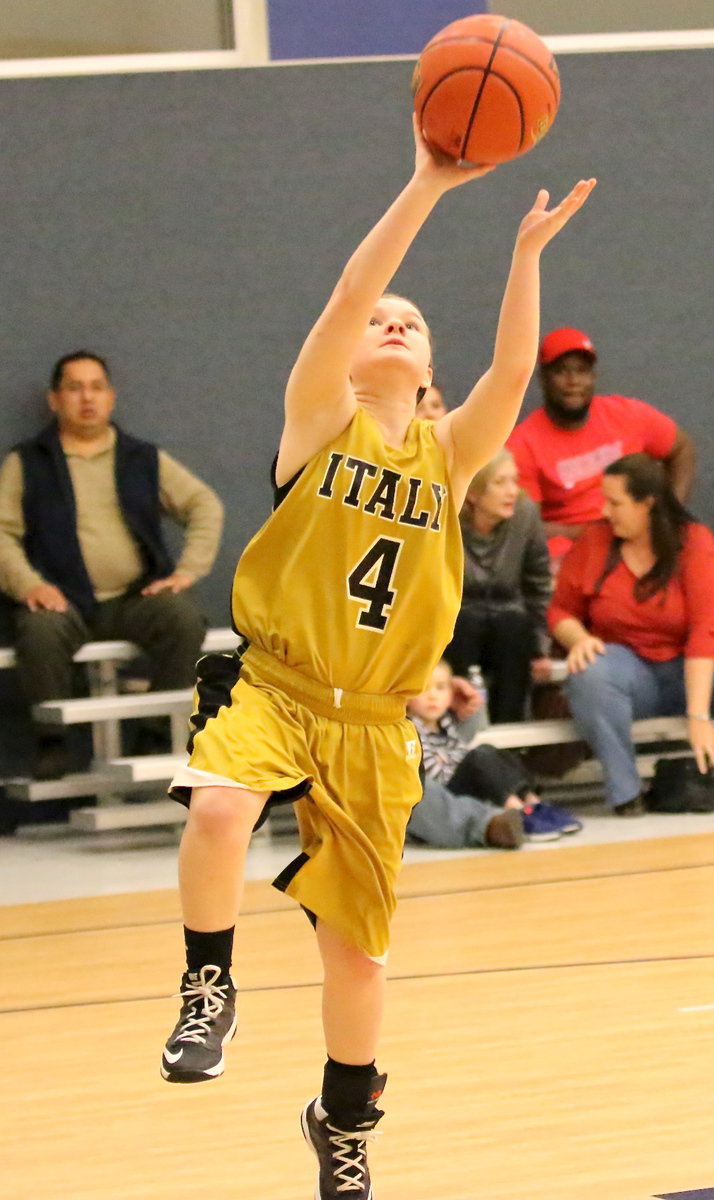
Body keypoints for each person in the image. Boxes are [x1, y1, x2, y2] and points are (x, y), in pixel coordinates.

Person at [159, 110, 594, 1200]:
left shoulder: (447, 462)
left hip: (371, 722)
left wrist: (525, 255)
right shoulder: (317, 421)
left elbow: (511, 368)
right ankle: (207, 986)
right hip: (277, 682)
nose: (392, 323)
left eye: (413, 322)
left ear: (430, 367)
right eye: (380, 322)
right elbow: (354, 291)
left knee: (357, 955)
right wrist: (428, 186)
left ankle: (343, 1122)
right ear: (349, 356)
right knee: (217, 808)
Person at [0, 350, 224, 780]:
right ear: (54, 399)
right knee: (38, 630)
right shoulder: (27, 462)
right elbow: (3, 533)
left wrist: (185, 573)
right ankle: (53, 743)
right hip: (63, 601)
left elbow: (203, 504)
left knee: (182, 617)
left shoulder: (141, 458)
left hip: (132, 598)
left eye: (97, 387)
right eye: (74, 387)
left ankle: (156, 733)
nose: (87, 397)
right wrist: (29, 585)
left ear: (111, 397)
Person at [548, 452, 714, 816]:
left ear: (647, 504)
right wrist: (578, 639)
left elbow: (706, 632)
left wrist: (698, 717)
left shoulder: (694, 541)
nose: (605, 511)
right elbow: (560, 611)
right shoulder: (594, 541)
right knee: (591, 673)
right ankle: (625, 792)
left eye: (615, 503)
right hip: (630, 671)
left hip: (693, 667)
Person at [507, 327, 696, 564]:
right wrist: (589, 534)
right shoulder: (522, 444)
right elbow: (527, 528)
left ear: (593, 377)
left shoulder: (627, 415)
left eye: (582, 371)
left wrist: (668, 515)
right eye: (562, 372)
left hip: (639, 535)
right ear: (543, 378)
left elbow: (682, 449)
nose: (574, 381)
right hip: (574, 549)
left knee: (712, 571)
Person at [407, 660, 581, 844]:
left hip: (467, 787)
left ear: (451, 694)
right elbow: (432, 776)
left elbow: (478, 720)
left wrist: (472, 690)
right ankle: (519, 815)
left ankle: (533, 804)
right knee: (480, 756)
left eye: (441, 688)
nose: (432, 696)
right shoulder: (410, 728)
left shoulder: (448, 724)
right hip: (444, 794)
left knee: (490, 751)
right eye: (423, 689)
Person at [444, 447, 555, 721]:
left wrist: (541, 647)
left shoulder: (526, 514)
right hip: (458, 620)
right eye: (500, 482)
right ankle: (457, 727)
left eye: (514, 481)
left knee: (513, 627)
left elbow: (538, 585)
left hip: (509, 621)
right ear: (473, 493)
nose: (512, 492)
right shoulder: (447, 516)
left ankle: (510, 735)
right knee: (462, 623)